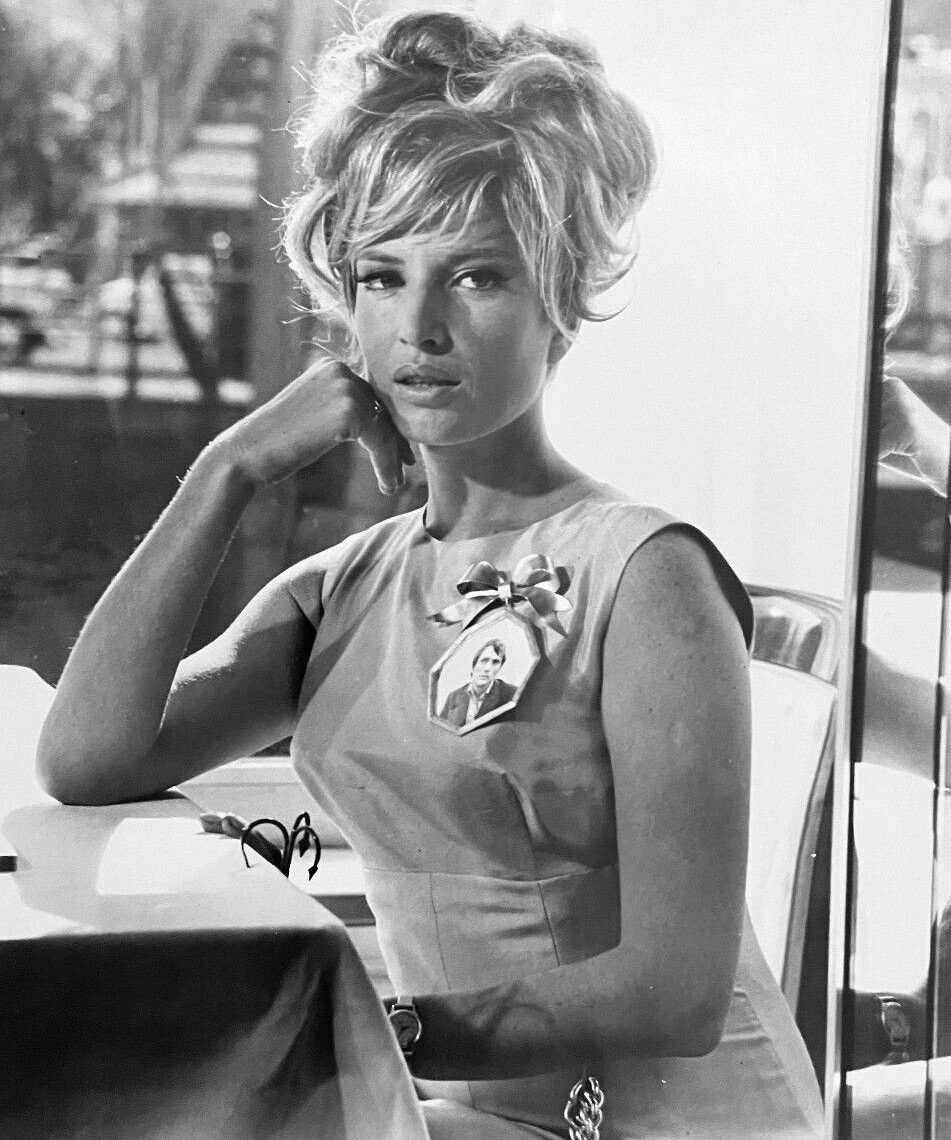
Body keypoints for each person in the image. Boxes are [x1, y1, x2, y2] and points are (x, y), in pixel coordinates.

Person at [36, 11, 823, 1138]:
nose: (421, 327)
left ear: (560, 299)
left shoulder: (649, 577)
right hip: (455, 1114)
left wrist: (363, 1031)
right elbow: (86, 760)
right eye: (382, 276)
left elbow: (675, 992)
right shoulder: (343, 588)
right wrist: (227, 469)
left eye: (477, 276)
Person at [439, 639, 516, 727]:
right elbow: (440, 730)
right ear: (474, 665)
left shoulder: (511, 695)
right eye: (484, 660)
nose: (487, 668)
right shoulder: (454, 697)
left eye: (495, 662)